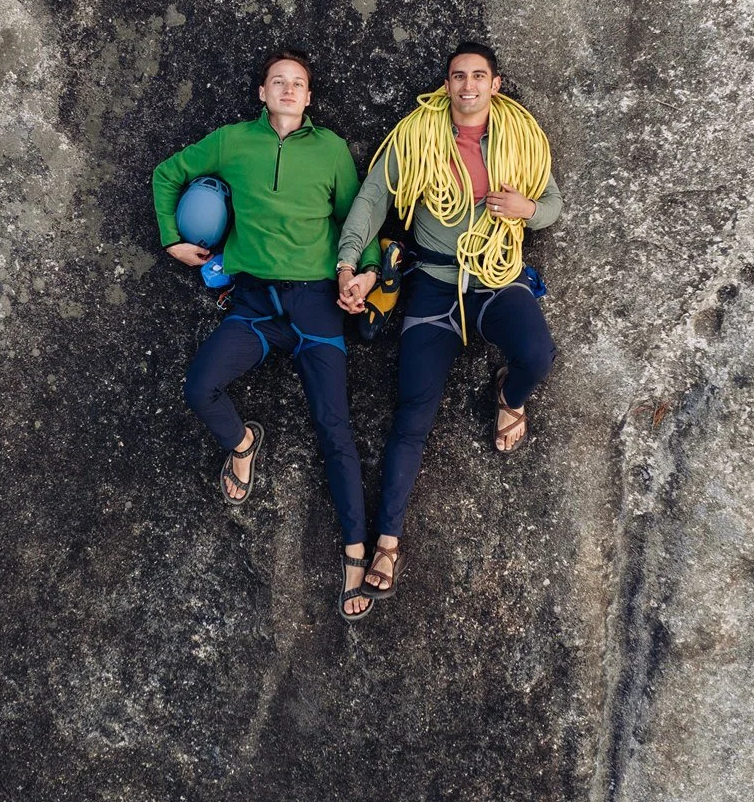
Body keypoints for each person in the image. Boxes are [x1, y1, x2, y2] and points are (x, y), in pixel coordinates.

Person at [152, 49, 383, 621]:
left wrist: (370, 269)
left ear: (309, 97)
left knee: (334, 428)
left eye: (297, 83)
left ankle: (356, 553)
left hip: (315, 307)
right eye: (277, 81)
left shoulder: (329, 149)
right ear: (262, 92)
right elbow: (167, 173)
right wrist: (170, 239)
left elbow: (359, 216)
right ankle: (242, 444)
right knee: (199, 386)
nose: (287, 90)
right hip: (255, 303)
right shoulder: (232, 142)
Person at [334, 42, 561, 601]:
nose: (468, 86)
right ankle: (387, 542)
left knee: (537, 355)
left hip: (496, 274)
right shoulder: (416, 134)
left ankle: (510, 399)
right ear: (447, 83)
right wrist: (348, 260)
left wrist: (526, 210)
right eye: (458, 76)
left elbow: (553, 204)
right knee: (412, 413)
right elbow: (371, 199)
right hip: (433, 285)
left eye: (478, 76)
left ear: (495, 84)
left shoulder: (522, 137)